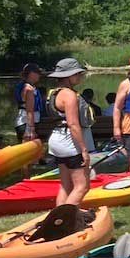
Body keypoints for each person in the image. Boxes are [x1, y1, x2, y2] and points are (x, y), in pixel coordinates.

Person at [44, 58, 92, 207]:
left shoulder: (53, 93)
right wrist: (84, 149)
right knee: (82, 186)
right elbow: (73, 124)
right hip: (69, 142)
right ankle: (65, 219)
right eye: (76, 74)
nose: (79, 77)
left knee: (66, 185)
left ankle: (57, 219)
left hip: (56, 140)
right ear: (68, 76)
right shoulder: (69, 95)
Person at [13, 63, 46, 145]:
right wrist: (31, 129)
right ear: (32, 74)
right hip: (26, 124)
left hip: (23, 123)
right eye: (38, 73)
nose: (39, 75)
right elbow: (29, 110)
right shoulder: (29, 89)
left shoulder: (23, 86)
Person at [78, 88, 99, 155]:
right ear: (92, 96)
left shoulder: (79, 109)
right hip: (98, 131)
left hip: (87, 130)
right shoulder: (97, 108)